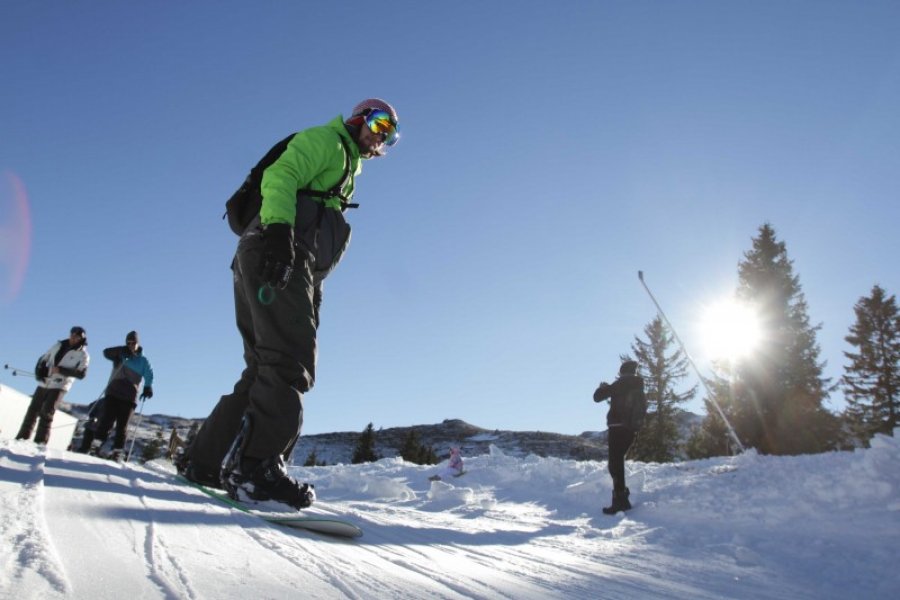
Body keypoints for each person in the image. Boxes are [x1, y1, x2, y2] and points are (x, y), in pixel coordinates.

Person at [176, 99, 400, 511]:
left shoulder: (345, 168)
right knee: (289, 359)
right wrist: (280, 234)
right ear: (357, 118)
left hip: (272, 257)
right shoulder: (329, 143)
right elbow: (282, 174)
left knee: (263, 366)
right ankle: (257, 470)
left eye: (390, 134)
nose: (381, 135)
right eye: (378, 123)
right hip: (279, 254)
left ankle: (203, 461)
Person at [77, 331, 153, 460]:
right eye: (128, 343)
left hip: (129, 396)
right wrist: (121, 351)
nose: (131, 345)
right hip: (113, 392)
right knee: (106, 420)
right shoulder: (121, 353)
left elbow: (149, 374)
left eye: (133, 343)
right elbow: (106, 352)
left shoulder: (143, 360)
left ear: (138, 344)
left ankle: (117, 451)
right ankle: (96, 445)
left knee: (122, 425)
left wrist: (147, 387)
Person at [16, 326, 90, 444]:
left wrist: (61, 370)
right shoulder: (58, 345)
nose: (73, 337)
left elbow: (82, 374)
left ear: (82, 339)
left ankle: (40, 442)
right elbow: (43, 359)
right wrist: (39, 372)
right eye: (72, 334)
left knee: (47, 411)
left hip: (60, 385)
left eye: (77, 336)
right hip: (45, 382)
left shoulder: (83, 355)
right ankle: (22, 438)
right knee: (32, 410)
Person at [593, 359, 645, 514]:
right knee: (617, 463)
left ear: (622, 372)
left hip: (617, 428)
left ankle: (620, 500)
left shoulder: (620, 384)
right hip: (631, 429)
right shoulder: (638, 385)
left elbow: (597, 397)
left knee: (615, 464)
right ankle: (621, 497)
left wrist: (602, 387)